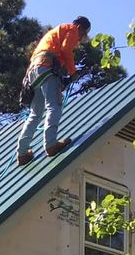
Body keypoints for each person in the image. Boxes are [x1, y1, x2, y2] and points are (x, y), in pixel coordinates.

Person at [16, 16, 91, 166]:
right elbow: (66, 49)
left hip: (34, 71)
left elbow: (59, 51)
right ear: (81, 29)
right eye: (82, 35)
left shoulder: (56, 32)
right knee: (54, 106)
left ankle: (22, 153)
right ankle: (50, 144)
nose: (79, 39)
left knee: (35, 114)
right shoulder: (72, 29)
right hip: (46, 68)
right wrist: (72, 72)